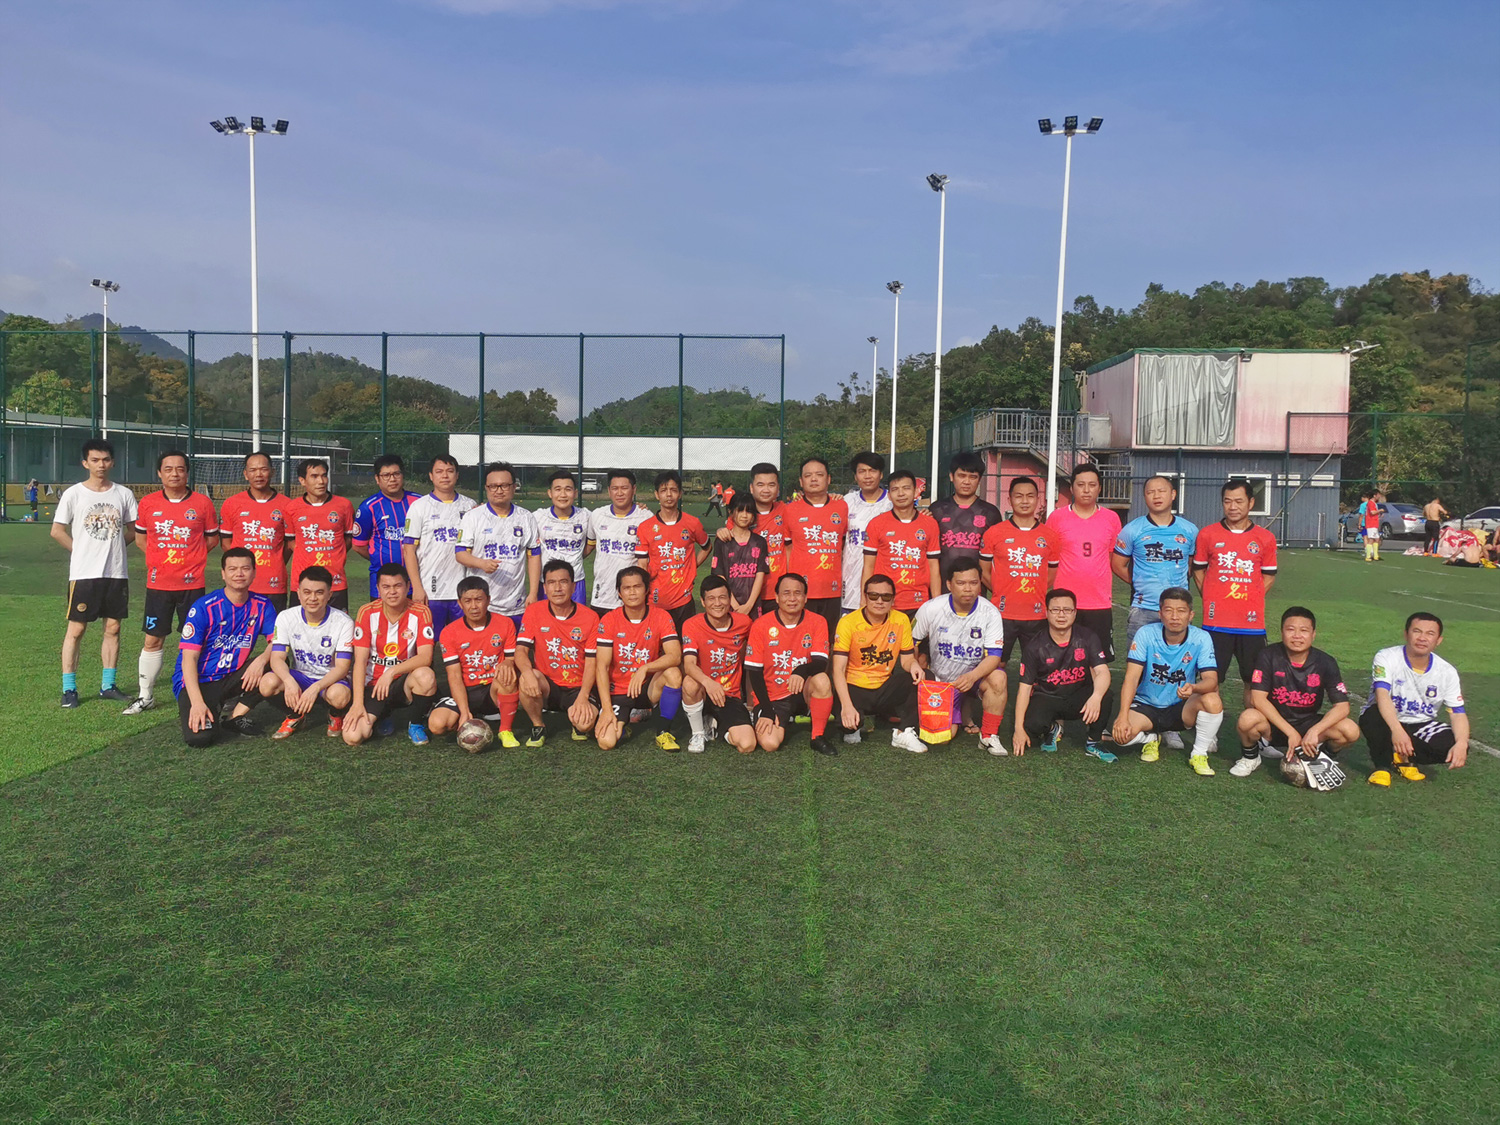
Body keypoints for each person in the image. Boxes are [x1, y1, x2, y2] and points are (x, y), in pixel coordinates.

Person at [123, 450, 218, 715]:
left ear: (187, 472)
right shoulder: (148, 503)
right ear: (159, 473)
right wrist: (161, 560)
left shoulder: (202, 504)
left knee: (197, 641)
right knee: (153, 639)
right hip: (159, 585)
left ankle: (203, 692)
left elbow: (211, 539)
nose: (174, 474)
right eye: (168, 469)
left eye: (180, 469)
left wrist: (190, 560)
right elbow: (141, 540)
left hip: (192, 585)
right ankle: (146, 696)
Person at [51, 438, 138, 708]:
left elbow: (134, 530)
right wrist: (80, 551)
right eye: (95, 460)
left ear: (112, 463)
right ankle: (69, 689)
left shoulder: (123, 494)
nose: (101, 465)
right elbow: (57, 531)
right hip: (84, 573)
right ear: (85, 463)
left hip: (115, 573)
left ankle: (108, 685)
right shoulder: (74, 494)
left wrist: (115, 547)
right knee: (77, 629)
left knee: (113, 628)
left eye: (106, 460)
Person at [1233, 605, 1359, 776]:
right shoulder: (1268, 655)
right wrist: (1290, 732)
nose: (1297, 636)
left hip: (1308, 723)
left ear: (1313, 634)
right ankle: (1251, 757)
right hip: (1274, 724)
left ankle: (1321, 758)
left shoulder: (1326, 662)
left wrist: (1315, 731)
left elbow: (1342, 706)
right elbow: (1258, 699)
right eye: (1290, 629)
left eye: (1304, 630)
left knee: (1350, 730)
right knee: (1248, 718)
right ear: (1282, 632)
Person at [1111, 587, 1224, 775]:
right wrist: (1122, 716)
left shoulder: (1201, 638)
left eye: (1181, 611)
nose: (1175, 617)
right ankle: (1150, 738)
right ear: (1160, 614)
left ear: (1191, 615)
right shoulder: (1146, 634)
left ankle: (1199, 754)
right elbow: (1131, 677)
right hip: (1147, 705)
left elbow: (1211, 680)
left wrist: (1194, 687)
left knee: (1212, 700)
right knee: (1120, 737)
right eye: (1169, 610)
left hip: (1181, 707)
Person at [173, 547, 276, 746]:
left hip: (231, 676)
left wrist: (262, 660)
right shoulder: (204, 607)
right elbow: (189, 659)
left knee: (277, 660)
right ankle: (209, 706)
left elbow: (278, 642)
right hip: (200, 681)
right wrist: (197, 703)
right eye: (232, 569)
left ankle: (234, 717)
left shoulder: (262, 605)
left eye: (245, 568)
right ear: (223, 574)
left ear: (254, 572)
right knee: (200, 739)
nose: (239, 574)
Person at [1192, 477, 1279, 710]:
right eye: (1227, 501)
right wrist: (1210, 596)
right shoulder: (1207, 534)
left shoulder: (1265, 538)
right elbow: (1198, 570)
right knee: (1211, 680)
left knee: (1254, 682)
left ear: (1251, 503)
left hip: (1251, 624)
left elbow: (1269, 576)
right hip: (1215, 623)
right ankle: (1210, 726)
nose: (1232, 507)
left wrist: (1253, 597)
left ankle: (1253, 727)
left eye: (1239, 501)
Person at [1360, 612, 1470, 787]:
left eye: (1430, 633)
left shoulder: (1447, 671)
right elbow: (1382, 694)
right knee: (1372, 716)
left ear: (1439, 640)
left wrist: (1462, 744)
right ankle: (1382, 766)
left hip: (1420, 723)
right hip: (1386, 718)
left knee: (1453, 743)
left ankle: (1404, 758)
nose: (1422, 638)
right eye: (1417, 631)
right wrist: (1396, 730)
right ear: (1406, 634)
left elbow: (1457, 713)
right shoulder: (1386, 657)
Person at [911, 559, 1008, 754]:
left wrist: (972, 677)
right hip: (941, 682)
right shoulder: (931, 608)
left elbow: (994, 656)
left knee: (999, 677)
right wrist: (918, 666)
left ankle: (989, 736)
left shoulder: (990, 612)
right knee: (942, 738)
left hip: (973, 678)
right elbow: (910, 644)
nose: (968, 589)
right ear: (949, 584)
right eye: (961, 583)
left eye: (973, 583)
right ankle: (958, 710)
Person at [248, 565, 355, 740]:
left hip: (330, 680)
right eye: (307, 592)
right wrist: (289, 681)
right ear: (298, 593)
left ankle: (335, 714)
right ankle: (295, 716)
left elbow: (342, 667)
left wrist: (316, 687)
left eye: (319, 593)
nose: (312, 598)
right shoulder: (286, 617)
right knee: (267, 684)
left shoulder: (344, 622)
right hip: (301, 677)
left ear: (329, 594)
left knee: (339, 697)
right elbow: (277, 658)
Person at [342, 564, 439, 747]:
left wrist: (391, 672)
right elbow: (360, 662)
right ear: (378, 589)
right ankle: (382, 715)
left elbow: (425, 657)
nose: (392, 592)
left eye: (398, 586)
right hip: (374, 685)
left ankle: (415, 723)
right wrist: (357, 703)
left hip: (403, 683)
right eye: (386, 587)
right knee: (352, 737)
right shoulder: (367, 612)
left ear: (408, 587)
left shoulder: (421, 612)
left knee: (426, 676)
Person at [1011, 589, 1113, 758]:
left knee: (1105, 695)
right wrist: (1018, 729)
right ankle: (1053, 728)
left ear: (1075, 613)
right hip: (1048, 697)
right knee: (1030, 728)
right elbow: (1024, 688)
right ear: (1046, 612)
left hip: (1078, 697)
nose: (1061, 615)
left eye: (1067, 610)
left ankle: (1093, 742)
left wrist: (1096, 697)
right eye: (1055, 610)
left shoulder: (1088, 637)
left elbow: (1102, 671)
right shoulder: (1034, 646)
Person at [592, 566, 684, 752]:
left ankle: (663, 731)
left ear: (647, 589)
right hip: (618, 690)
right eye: (627, 588)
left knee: (673, 673)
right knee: (606, 742)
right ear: (619, 592)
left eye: (637, 586)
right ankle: (623, 725)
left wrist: (645, 668)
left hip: (647, 687)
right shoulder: (609, 620)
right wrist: (607, 709)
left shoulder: (661, 616)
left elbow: (675, 655)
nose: (632, 592)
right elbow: (601, 667)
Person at [832, 574, 925, 753]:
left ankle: (904, 732)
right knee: (848, 729)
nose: (879, 601)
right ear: (865, 597)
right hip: (855, 687)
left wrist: (914, 665)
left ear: (893, 599)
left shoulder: (901, 620)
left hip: (884, 686)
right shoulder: (848, 622)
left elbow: (907, 659)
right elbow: (838, 669)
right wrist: (847, 706)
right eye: (874, 596)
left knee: (923, 677)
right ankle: (856, 721)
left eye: (886, 597)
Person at [745, 573, 835, 754]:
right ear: (777, 597)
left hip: (803, 690)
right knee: (770, 744)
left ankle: (817, 736)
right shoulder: (761, 625)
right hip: (773, 696)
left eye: (798, 593)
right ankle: (772, 717)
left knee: (822, 680)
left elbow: (820, 662)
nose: (792, 598)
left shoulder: (818, 622)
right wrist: (767, 709)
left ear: (805, 597)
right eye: (786, 593)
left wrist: (800, 670)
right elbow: (754, 672)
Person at [514, 560, 601, 746]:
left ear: (573, 586)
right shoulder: (534, 611)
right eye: (552, 583)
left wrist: (583, 696)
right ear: (545, 588)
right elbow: (520, 650)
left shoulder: (590, 617)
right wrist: (527, 673)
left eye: (563, 582)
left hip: (577, 687)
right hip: (547, 685)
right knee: (527, 679)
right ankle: (538, 725)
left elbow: (592, 662)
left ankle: (576, 718)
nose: (558, 588)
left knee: (585, 725)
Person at [428, 576, 521, 747]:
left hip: (493, 689)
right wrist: (464, 712)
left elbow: (511, 659)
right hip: (466, 691)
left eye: (479, 599)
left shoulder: (505, 623)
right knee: (437, 725)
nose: (474, 606)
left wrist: (508, 663)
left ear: (488, 600)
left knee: (507, 673)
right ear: (460, 603)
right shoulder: (449, 632)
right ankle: (470, 716)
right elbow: (454, 675)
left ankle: (505, 730)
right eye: (468, 601)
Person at [980, 475, 1058, 669]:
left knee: (1038, 667)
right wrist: (1001, 590)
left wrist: (1036, 590)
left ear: (1038, 499)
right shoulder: (994, 533)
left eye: (1030, 496)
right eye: (1019, 496)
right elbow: (983, 571)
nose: (1025, 501)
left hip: (1036, 614)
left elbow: (1051, 575)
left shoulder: (1050, 536)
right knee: (996, 665)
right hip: (1002, 613)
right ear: (1009, 499)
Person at [1047, 462, 1123, 661]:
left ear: (1099, 488)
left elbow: (1112, 557)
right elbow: (1050, 558)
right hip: (1065, 602)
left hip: (1098, 602)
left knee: (1098, 660)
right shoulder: (1057, 518)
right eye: (1081, 485)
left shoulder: (1111, 518)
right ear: (1072, 488)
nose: (1086, 490)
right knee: (1063, 658)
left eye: (1092, 485)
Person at [1113, 475, 1198, 646]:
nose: (1156, 496)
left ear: (1173, 494)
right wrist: (1139, 581)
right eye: (1150, 492)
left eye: (1161, 491)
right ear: (1144, 496)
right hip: (1143, 609)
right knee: (1139, 659)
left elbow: (1190, 565)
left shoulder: (1190, 530)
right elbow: (1117, 564)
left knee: (1178, 658)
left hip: (1178, 609)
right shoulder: (1132, 530)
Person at [455, 461, 541, 628]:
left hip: (515, 603)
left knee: (516, 644)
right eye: (493, 486)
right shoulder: (473, 517)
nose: (499, 490)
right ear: (486, 488)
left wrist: (533, 593)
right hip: (482, 604)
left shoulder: (526, 517)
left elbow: (534, 556)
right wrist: (481, 563)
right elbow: (460, 554)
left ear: (514, 487)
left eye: (504, 486)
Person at [401, 454, 478, 636]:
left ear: (457, 475)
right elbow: (409, 550)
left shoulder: (470, 506)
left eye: (450, 471)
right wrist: (417, 587)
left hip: (463, 589)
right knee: (427, 640)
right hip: (431, 589)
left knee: (464, 639)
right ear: (431, 476)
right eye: (439, 471)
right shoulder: (419, 507)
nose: (445, 476)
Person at [680, 575, 756, 754]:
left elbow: (753, 658)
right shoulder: (692, 625)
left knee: (747, 745)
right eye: (711, 598)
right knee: (689, 683)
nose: (717, 603)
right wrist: (708, 683)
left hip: (729, 695)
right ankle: (698, 733)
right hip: (702, 691)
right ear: (703, 602)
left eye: (722, 597)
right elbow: (689, 665)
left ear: (730, 599)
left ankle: (715, 726)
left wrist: (751, 703)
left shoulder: (744, 623)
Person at [634, 470, 711, 631]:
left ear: (680, 493)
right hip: (655, 599)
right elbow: (642, 565)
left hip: (684, 600)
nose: (669, 495)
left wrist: (692, 567)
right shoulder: (645, 527)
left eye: (673, 490)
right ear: (657, 495)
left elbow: (707, 547)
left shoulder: (692, 523)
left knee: (685, 642)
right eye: (663, 490)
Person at [784, 458, 850, 639]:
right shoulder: (790, 510)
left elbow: (843, 542)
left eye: (819, 475)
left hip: (832, 589)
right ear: (801, 481)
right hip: (802, 590)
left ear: (828, 479)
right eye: (808, 475)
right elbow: (788, 547)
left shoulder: (842, 506)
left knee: (828, 639)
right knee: (801, 639)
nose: (814, 479)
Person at [862, 469, 941, 617]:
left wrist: (936, 603)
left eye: (906, 488)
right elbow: (868, 566)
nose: (901, 494)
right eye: (895, 489)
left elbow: (933, 567)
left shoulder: (930, 524)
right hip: (884, 602)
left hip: (919, 603)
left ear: (916, 491)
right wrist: (864, 602)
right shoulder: (876, 524)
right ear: (889, 495)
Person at [218, 451, 292, 610]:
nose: (258, 474)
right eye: (253, 470)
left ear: (272, 472)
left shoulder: (287, 505)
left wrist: (276, 561)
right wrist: (242, 565)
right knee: (239, 625)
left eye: (263, 469)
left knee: (273, 626)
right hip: (241, 583)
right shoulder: (231, 504)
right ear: (246, 474)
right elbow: (225, 543)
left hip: (273, 583)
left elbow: (289, 545)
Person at [715, 462, 790, 616]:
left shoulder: (786, 510)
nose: (766, 490)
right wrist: (720, 531)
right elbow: (727, 539)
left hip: (777, 592)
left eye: (771, 485)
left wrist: (834, 497)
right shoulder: (741, 516)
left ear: (778, 488)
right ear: (751, 488)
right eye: (760, 484)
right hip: (745, 593)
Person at [283, 458, 355, 610]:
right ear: (302, 481)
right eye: (314, 476)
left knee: (337, 624)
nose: (321, 481)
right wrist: (308, 553)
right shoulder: (291, 508)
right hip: (302, 581)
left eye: (324, 476)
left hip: (335, 582)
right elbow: (291, 542)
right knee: (301, 624)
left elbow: (348, 540)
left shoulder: (344, 505)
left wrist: (335, 554)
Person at [928, 451, 1003, 588]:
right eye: (961, 476)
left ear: (979, 480)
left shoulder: (991, 513)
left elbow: (999, 557)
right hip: (942, 589)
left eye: (973, 477)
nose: (967, 482)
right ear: (951, 476)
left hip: (976, 591)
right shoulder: (937, 509)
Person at [353, 454, 421, 601]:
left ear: (402, 475)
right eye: (386, 475)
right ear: (377, 479)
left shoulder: (419, 502)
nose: (392, 479)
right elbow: (358, 546)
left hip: (417, 581)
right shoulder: (369, 507)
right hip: (383, 584)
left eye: (396, 474)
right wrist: (379, 557)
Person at [589, 469, 653, 611]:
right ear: (609, 491)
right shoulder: (597, 515)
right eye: (615, 488)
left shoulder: (646, 517)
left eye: (624, 488)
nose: (619, 493)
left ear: (634, 489)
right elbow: (589, 544)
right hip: (602, 596)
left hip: (632, 597)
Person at [841, 452, 892, 616]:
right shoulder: (847, 501)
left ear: (881, 474)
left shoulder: (891, 502)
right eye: (862, 471)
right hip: (851, 580)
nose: (868, 476)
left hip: (883, 576)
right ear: (855, 476)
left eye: (872, 471)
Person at [533, 469, 594, 605]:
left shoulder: (586, 516)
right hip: (547, 581)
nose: (563, 494)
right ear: (550, 493)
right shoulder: (537, 517)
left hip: (576, 581)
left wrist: (577, 557)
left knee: (576, 617)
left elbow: (591, 544)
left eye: (568, 489)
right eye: (558, 489)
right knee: (547, 617)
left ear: (575, 493)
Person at [710, 493, 770, 615]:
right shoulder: (722, 542)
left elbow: (760, 575)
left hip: (753, 606)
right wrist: (736, 606)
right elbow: (720, 576)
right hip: (729, 606)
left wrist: (748, 606)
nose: (744, 515)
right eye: (740, 510)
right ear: (731, 512)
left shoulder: (759, 542)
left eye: (749, 511)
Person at [1361, 489, 1383, 562]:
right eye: (1378, 495)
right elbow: (1372, 512)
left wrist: (1379, 515)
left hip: (1374, 524)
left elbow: (1373, 514)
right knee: (1371, 539)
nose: (1379, 496)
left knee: (1377, 539)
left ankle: (1375, 556)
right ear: (1374, 495)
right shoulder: (1371, 503)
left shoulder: (1373, 503)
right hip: (1371, 524)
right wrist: (1380, 510)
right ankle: (1368, 556)